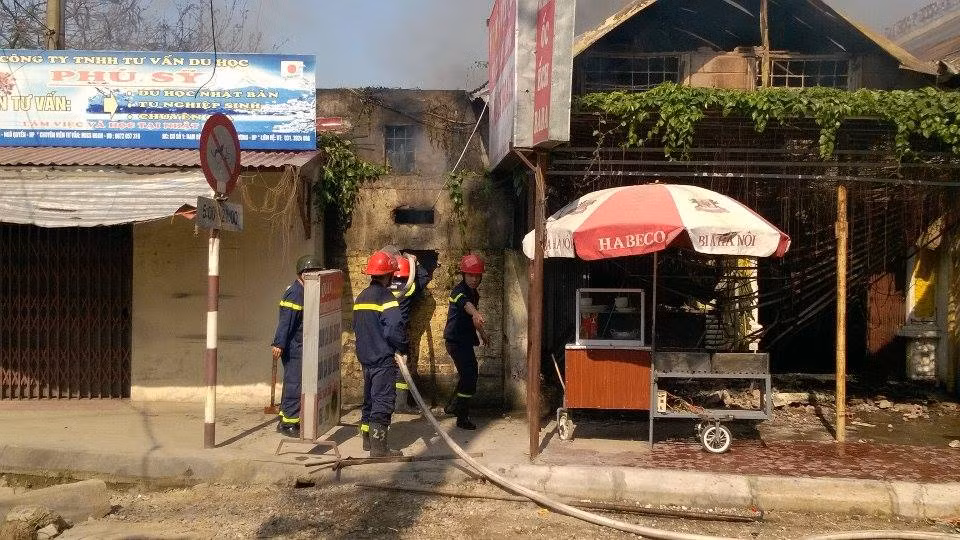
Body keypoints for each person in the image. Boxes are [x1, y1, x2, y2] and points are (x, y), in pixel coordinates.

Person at [354, 250, 406, 457]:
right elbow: (394, 327)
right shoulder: (387, 297)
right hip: (383, 358)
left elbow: (357, 326)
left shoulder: (360, 297)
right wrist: (402, 346)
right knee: (383, 400)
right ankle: (379, 449)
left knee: (369, 399)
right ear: (389, 274)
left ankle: (367, 441)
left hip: (365, 358)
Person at [271, 254, 323, 437]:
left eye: (316, 273)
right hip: (294, 347)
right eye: (311, 273)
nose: (314, 276)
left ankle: (285, 417)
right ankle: (289, 424)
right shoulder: (295, 293)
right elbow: (286, 321)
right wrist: (279, 343)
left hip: (300, 345)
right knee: (294, 383)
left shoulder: (305, 291)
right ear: (302, 274)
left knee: (293, 383)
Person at [443, 253, 489, 430]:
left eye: (478, 276)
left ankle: (453, 405)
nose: (474, 279)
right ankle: (461, 416)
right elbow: (466, 306)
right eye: (471, 275)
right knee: (470, 376)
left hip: (464, 340)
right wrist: (476, 313)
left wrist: (482, 333)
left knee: (468, 375)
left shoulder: (473, 293)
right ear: (463, 275)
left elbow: (473, 318)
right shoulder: (459, 291)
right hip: (455, 341)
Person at [391, 252, 432, 414]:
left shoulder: (384, 286)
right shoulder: (408, 287)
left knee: (385, 368)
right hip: (400, 332)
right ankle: (400, 404)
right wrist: (416, 263)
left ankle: (387, 402)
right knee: (402, 368)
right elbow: (424, 278)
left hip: (382, 332)